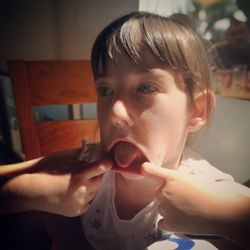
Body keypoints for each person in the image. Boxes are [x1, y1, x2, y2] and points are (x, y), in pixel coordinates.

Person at [0, 11, 249, 250]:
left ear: (196, 110)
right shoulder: (86, 163)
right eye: (105, 91)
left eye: (146, 88)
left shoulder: (210, 190)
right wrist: (31, 191)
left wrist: (221, 216)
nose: (115, 113)